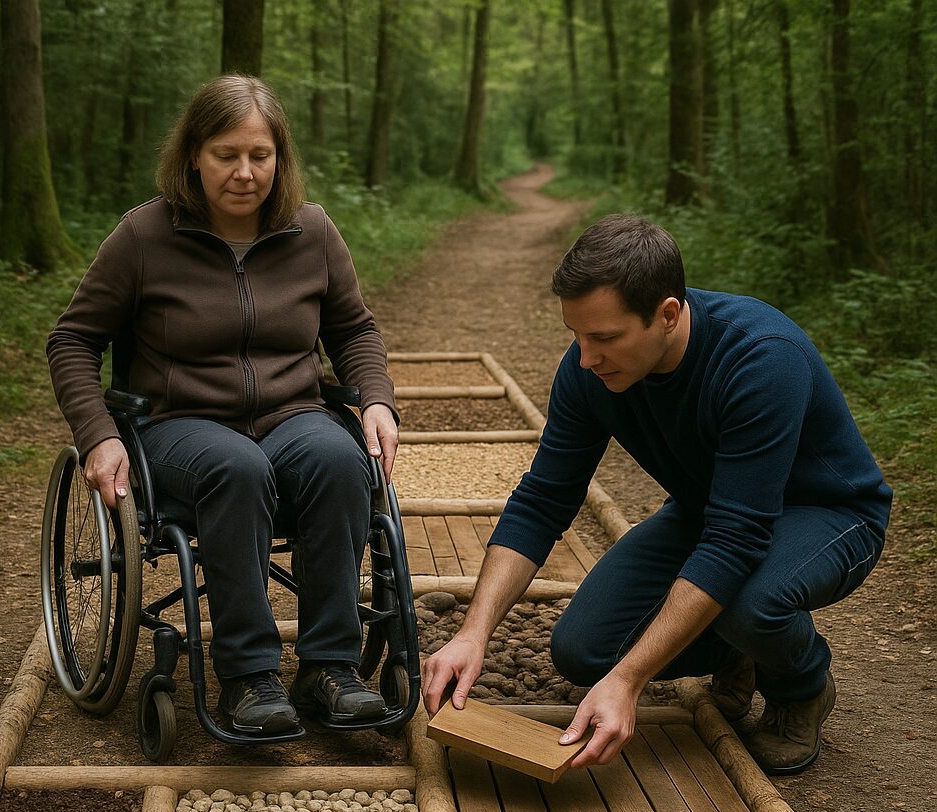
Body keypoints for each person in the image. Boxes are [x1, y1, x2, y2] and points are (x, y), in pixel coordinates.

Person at [423, 214, 890, 775]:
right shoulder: (587, 370)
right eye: (575, 334)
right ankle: (732, 646)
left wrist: (629, 682)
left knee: (750, 603)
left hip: (830, 514)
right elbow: (544, 499)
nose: (585, 356)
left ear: (667, 314)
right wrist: (473, 633)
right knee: (583, 652)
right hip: (710, 511)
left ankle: (801, 684)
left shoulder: (761, 357)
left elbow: (734, 541)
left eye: (605, 337)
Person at [47, 75, 400, 735]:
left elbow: (355, 331)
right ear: (194, 157)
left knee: (340, 459)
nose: (244, 172)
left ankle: (329, 667)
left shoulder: (313, 232)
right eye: (226, 154)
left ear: (279, 158)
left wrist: (377, 400)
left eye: (259, 155)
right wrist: (98, 434)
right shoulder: (144, 237)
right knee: (237, 468)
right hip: (179, 428)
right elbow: (72, 340)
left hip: (293, 416)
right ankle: (249, 677)